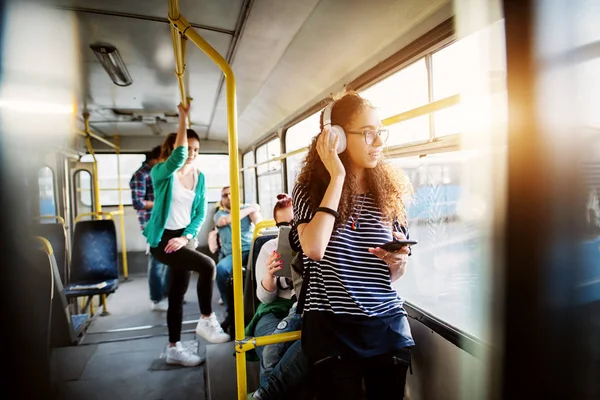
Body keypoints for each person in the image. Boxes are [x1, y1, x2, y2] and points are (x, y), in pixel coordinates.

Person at [290, 91, 414, 399]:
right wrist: (337, 177)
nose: (379, 143)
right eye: (369, 134)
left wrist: (398, 264)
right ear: (339, 137)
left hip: (386, 327)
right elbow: (314, 248)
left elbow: (392, 276)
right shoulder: (309, 190)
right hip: (332, 332)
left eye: (380, 133)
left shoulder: (389, 195)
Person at [143, 103, 230, 367]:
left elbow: (200, 212)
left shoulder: (199, 177)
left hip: (182, 240)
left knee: (177, 293)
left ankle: (173, 348)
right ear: (174, 151)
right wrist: (183, 118)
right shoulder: (161, 173)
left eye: (196, 150)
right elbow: (178, 157)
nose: (191, 154)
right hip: (162, 241)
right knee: (208, 265)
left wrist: (187, 236)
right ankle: (206, 318)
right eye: (188, 148)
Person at [245, 194, 309, 400]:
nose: (290, 228)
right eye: (284, 225)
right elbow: (265, 299)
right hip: (273, 309)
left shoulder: (315, 245)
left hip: (304, 308)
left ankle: (265, 394)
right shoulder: (269, 248)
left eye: (294, 222)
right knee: (270, 349)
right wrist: (270, 275)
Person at [130, 145, 170, 311]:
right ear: (158, 158)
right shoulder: (141, 175)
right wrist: (162, 204)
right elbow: (138, 203)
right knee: (157, 261)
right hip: (151, 223)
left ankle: (167, 293)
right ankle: (156, 299)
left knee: (169, 259)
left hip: (165, 221)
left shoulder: (160, 173)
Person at [214, 186, 262, 308]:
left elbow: (259, 223)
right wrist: (252, 208)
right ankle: (229, 306)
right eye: (225, 195)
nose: (229, 197)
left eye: (231, 193)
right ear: (221, 200)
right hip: (232, 254)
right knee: (220, 269)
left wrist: (253, 211)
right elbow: (225, 221)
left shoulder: (246, 210)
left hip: (249, 249)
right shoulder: (219, 214)